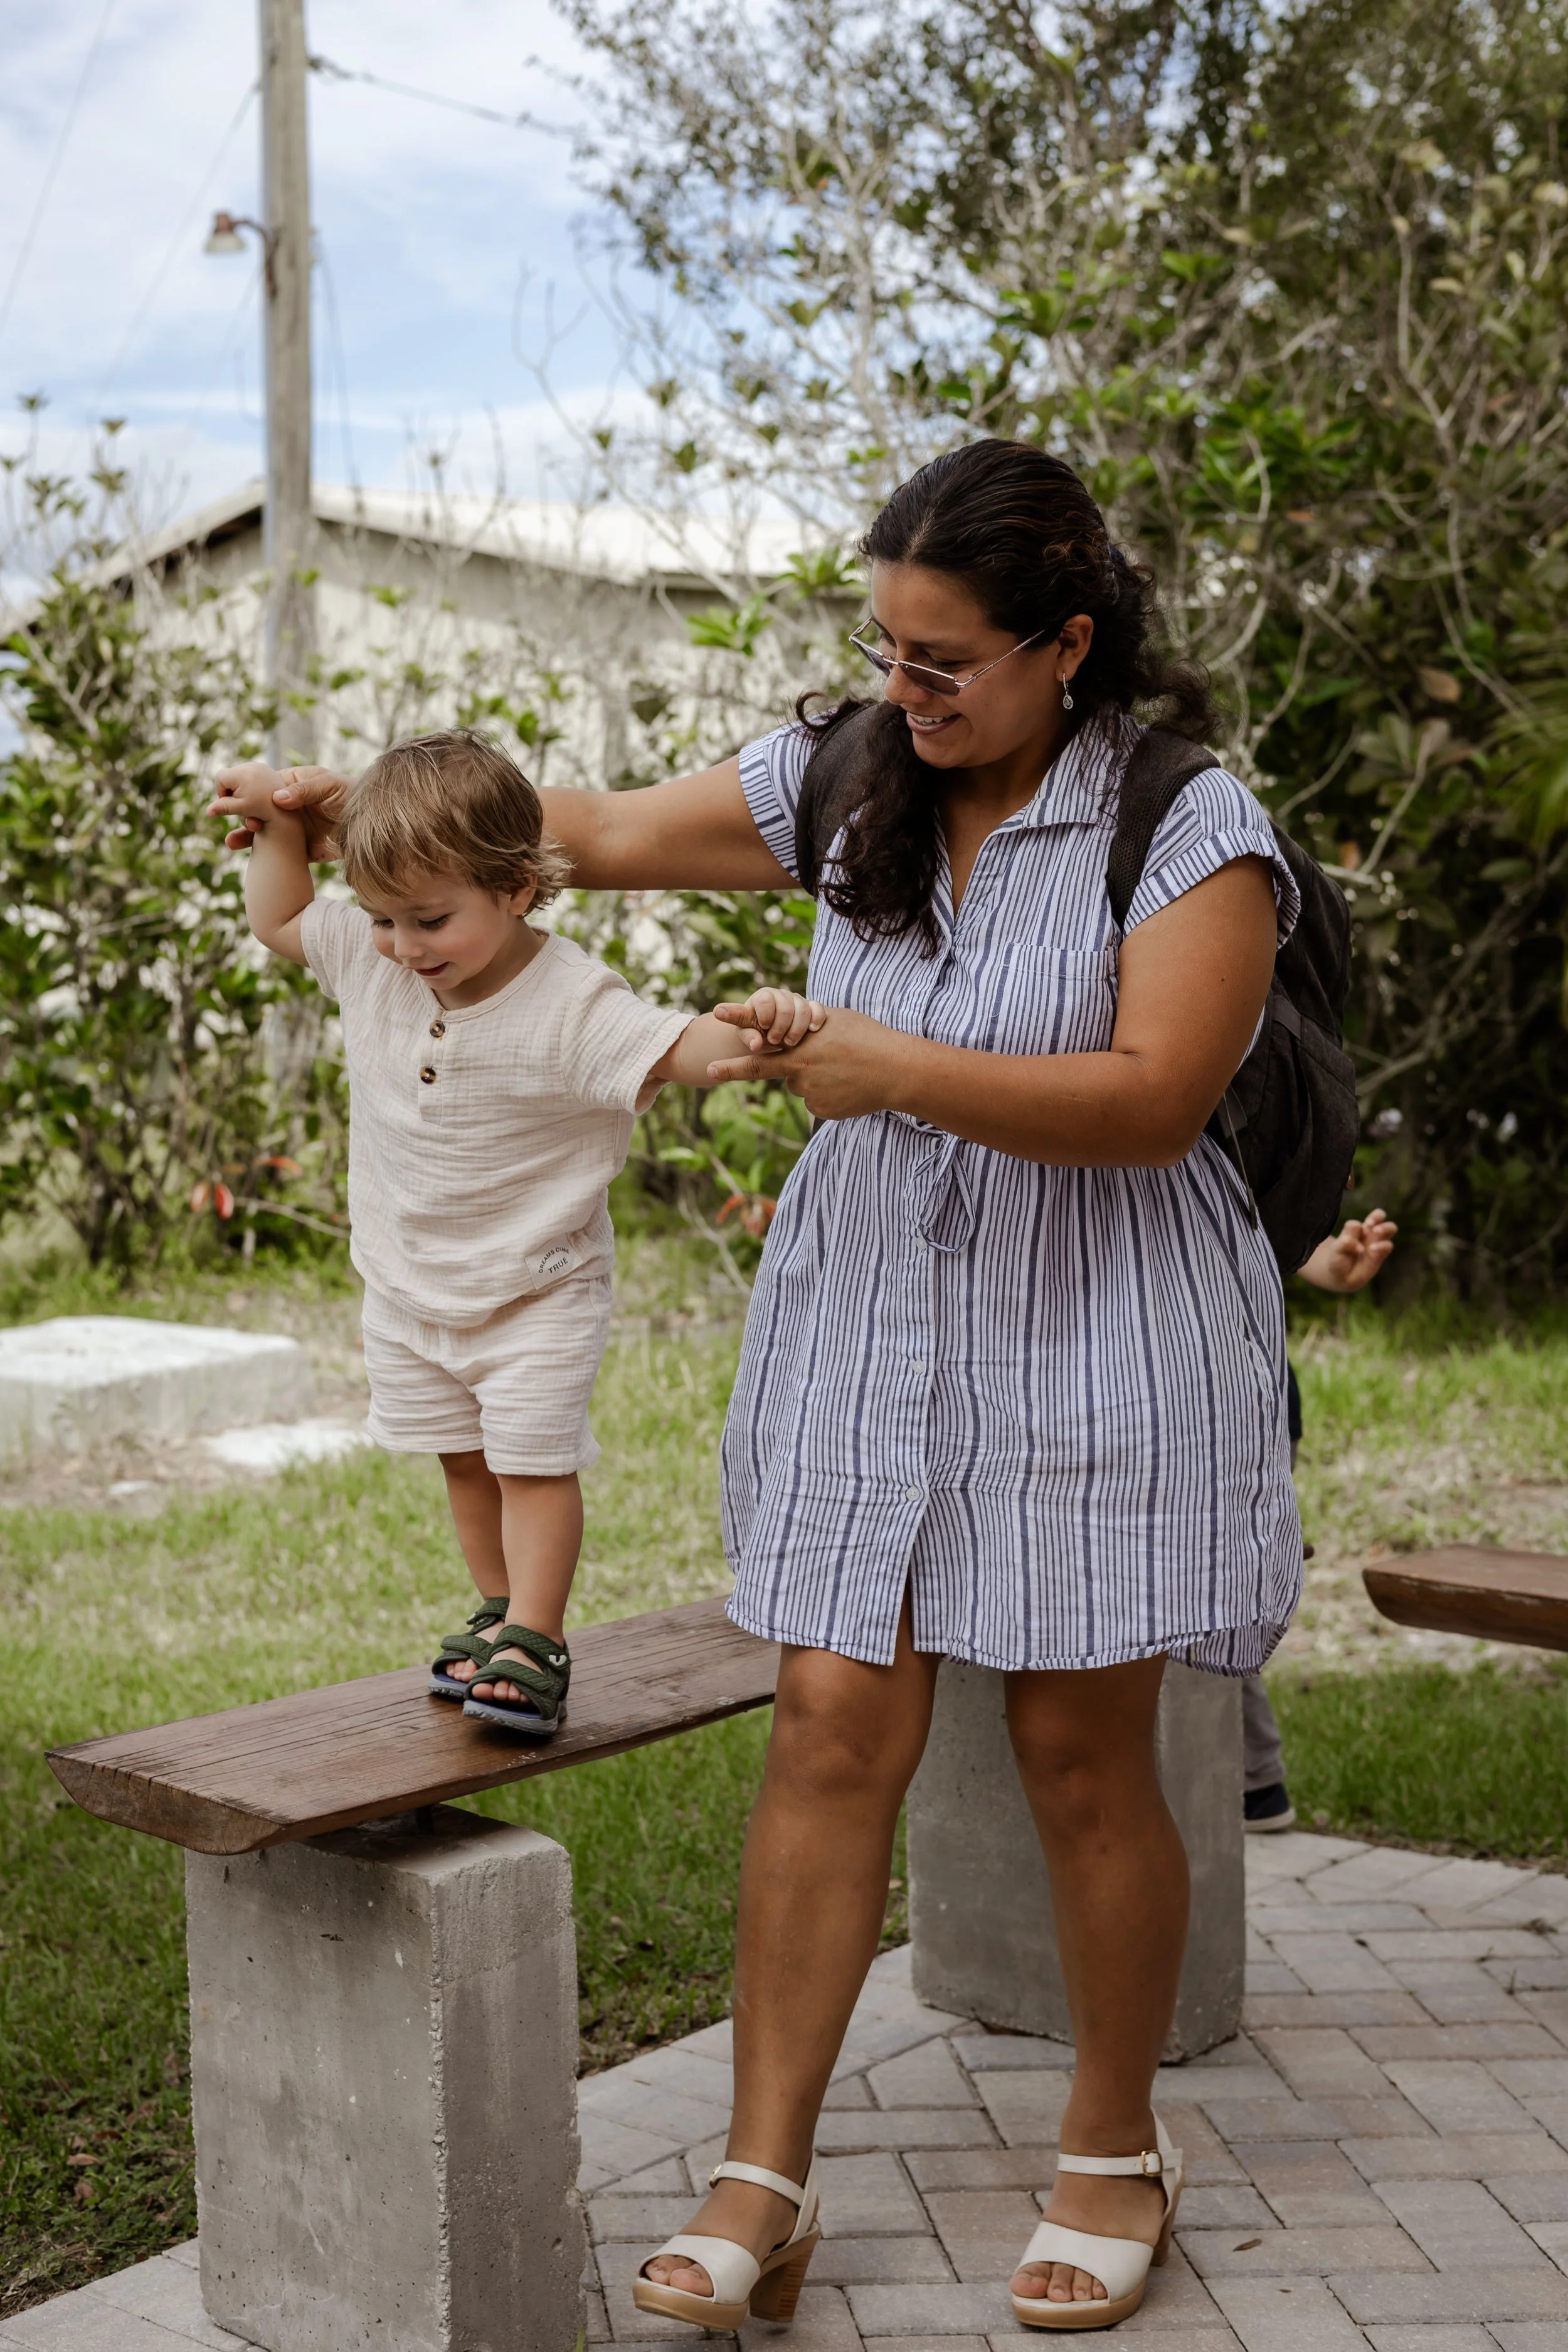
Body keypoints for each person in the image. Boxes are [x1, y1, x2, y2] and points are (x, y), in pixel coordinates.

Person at [217, 440, 1301, 2331]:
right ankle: (761, 2170)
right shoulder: (841, 776)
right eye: (884, 644)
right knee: (821, 1725)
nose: (906, 685)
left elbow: (1149, 1100)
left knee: (1072, 1747)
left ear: (1063, 642)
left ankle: (1112, 2143)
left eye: (945, 657)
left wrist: (893, 1066)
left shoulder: (1184, 823)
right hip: (867, 1319)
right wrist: (368, 812)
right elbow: (600, 826)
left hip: (1089, 1324)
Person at [213, 729, 822, 1739]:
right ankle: (498, 1610)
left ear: (521, 885)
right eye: (381, 919)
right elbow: (280, 916)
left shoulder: (572, 1004)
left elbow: (683, 1046)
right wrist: (275, 822)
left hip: (537, 1288)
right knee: (461, 1457)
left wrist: (767, 1025)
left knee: (530, 1461)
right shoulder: (379, 967)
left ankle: (538, 1634)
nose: (405, 947)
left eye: (432, 920)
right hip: (409, 1285)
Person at [1243, 1207, 1397, 1829]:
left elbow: (1259, 1197)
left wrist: (1327, 1260)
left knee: (1218, 1598)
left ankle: (1255, 1781)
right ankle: (1257, 1782)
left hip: (1244, 1399)